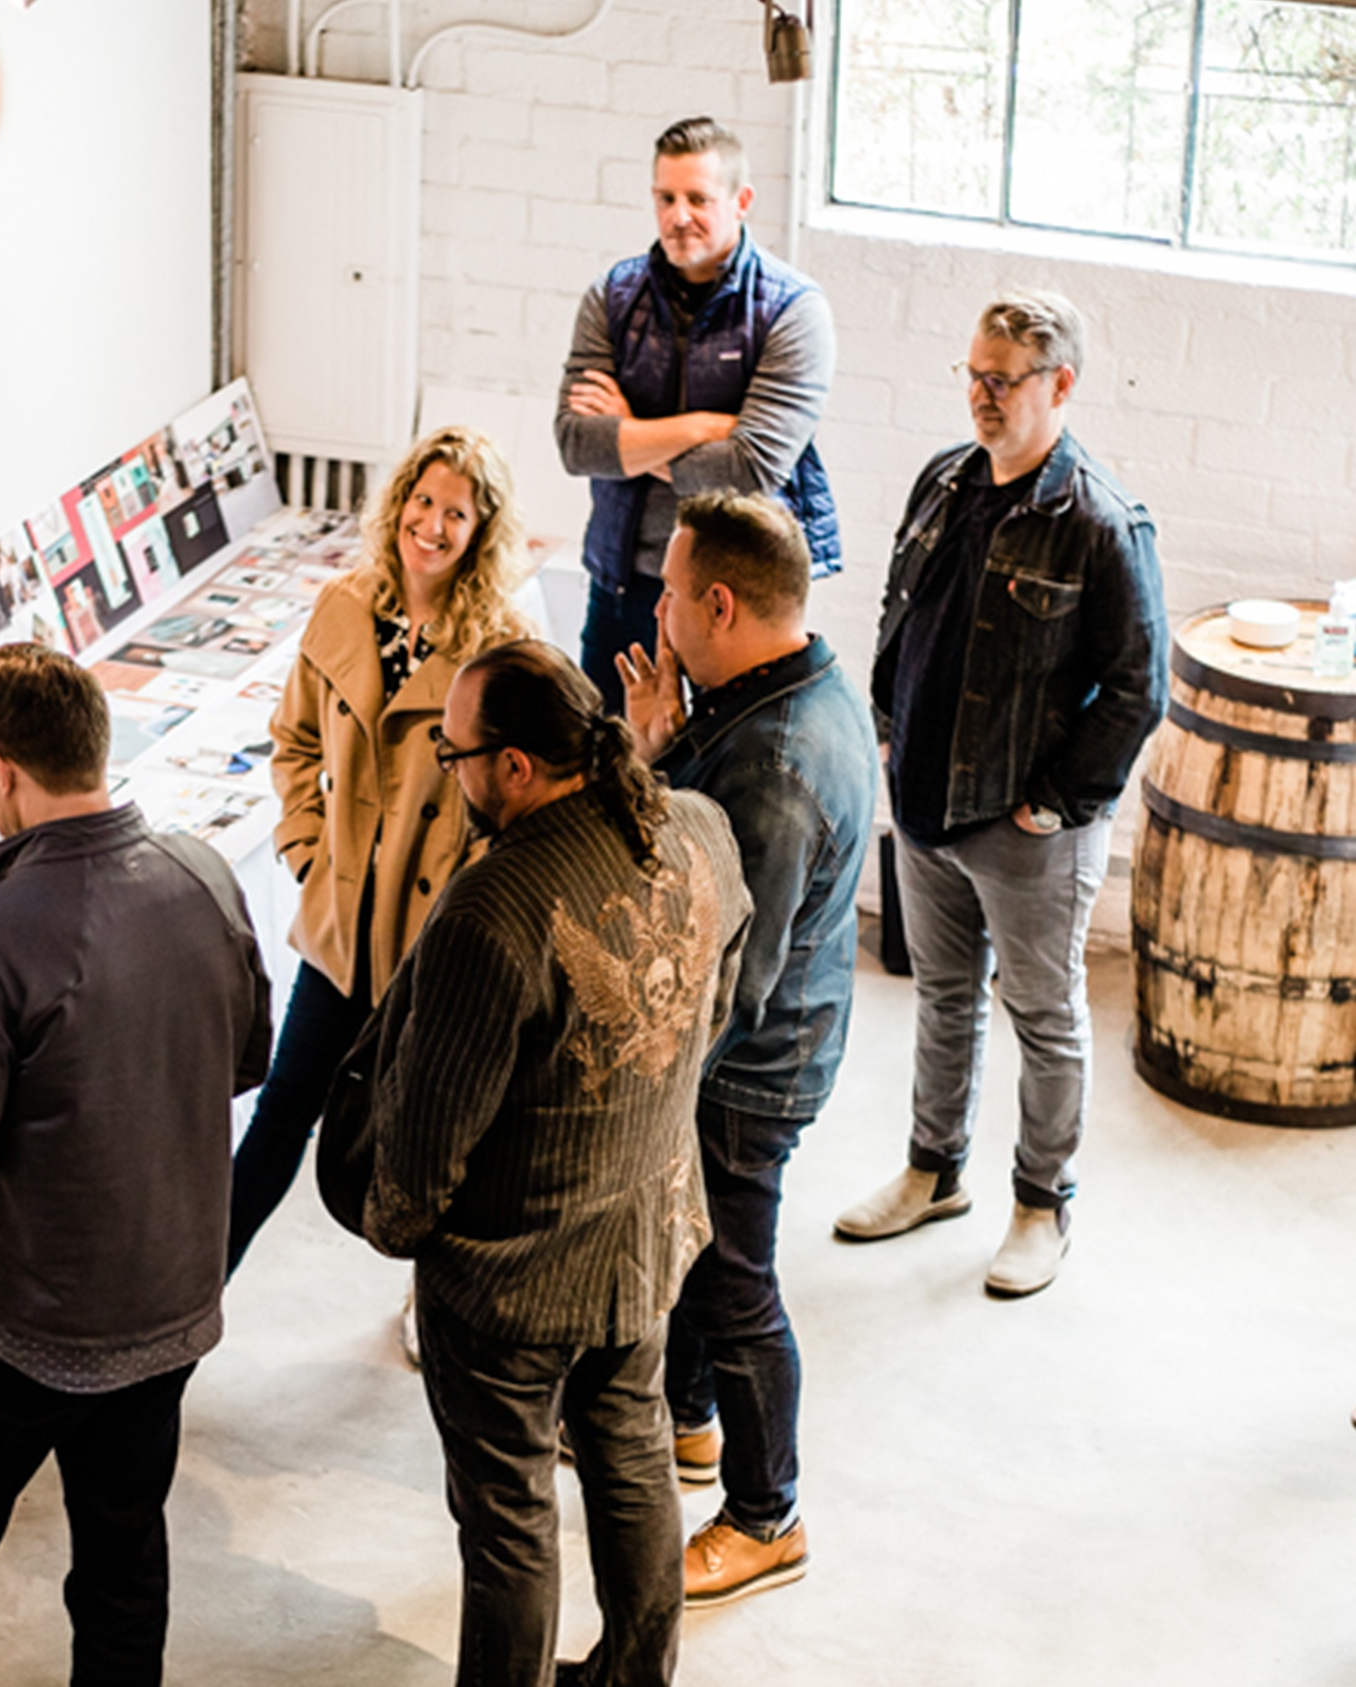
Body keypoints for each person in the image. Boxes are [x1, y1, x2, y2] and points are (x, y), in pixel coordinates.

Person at [0, 645, 272, 1687]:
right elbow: (249, 1055)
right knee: (123, 1574)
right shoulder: (202, 876)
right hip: (166, 1309)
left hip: (15, 1330)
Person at [353, 641, 749, 1687]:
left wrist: (397, 1230)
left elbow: (426, 1144)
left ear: (517, 766)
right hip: (644, 1242)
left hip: (508, 1281)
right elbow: (725, 987)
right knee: (633, 1460)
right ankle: (635, 1674)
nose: (453, 768)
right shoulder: (696, 826)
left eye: (456, 750)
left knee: (509, 1523)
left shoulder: (493, 910)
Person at [837, 288, 1167, 1298]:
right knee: (941, 997)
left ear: (1058, 385)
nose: (980, 397)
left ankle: (1040, 1201)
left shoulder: (1100, 522)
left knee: (1042, 1013)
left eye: (1002, 380)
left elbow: (1138, 688)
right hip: (928, 801)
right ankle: (934, 1173)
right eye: (971, 375)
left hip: (1026, 825)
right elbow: (903, 615)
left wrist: (1058, 803)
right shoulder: (943, 479)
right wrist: (888, 726)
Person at [616, 491, 876, 1606]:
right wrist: (667, 749)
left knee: (735, 1284)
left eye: (669, 592)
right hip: (765, 1048)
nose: (656, 608)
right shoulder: (783, 684)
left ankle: (768, 1514)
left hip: (747, 1075)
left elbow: (727, 968)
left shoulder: (774, 765)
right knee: (694, 1253)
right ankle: (688, 1420)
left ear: (717, 603)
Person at [233, 425, 535, 1285]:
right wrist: (305, 852)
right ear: (399, 501)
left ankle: (430, 1303)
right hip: (338, 925)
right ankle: (185, 1306)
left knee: (433, 1143)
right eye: (424, 501)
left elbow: (514, 804)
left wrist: (468, 910)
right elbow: (291, 742)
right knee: (284, 1112)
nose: (433, 526)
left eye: (458, 514)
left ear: (482, 533)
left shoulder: (499, 645)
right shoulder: (344, 607)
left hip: (431, 940)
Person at [556, 116, 839, 714]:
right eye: (666, 198)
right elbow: (578, 444)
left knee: (718, 782)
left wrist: (631, 434)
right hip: (625, 582)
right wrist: (707, 427)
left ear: (742, 201)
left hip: (735, 599)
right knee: (610, 766)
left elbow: (753, 471)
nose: (678, 216)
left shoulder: (794, 312)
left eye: (698, 199)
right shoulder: (612, 296)